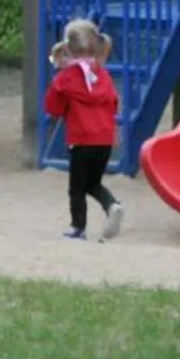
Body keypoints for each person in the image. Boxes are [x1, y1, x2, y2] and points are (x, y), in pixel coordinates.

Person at [44, 19, 124, 242]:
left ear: (68, 48)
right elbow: (114, 103)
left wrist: (59, 76)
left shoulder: (65, 79)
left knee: (77, 187)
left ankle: (78, 227)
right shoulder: (103, 75)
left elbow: (53, 108)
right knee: (93, 183)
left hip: (81, 140)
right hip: (104, 139)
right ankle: (112, 204)